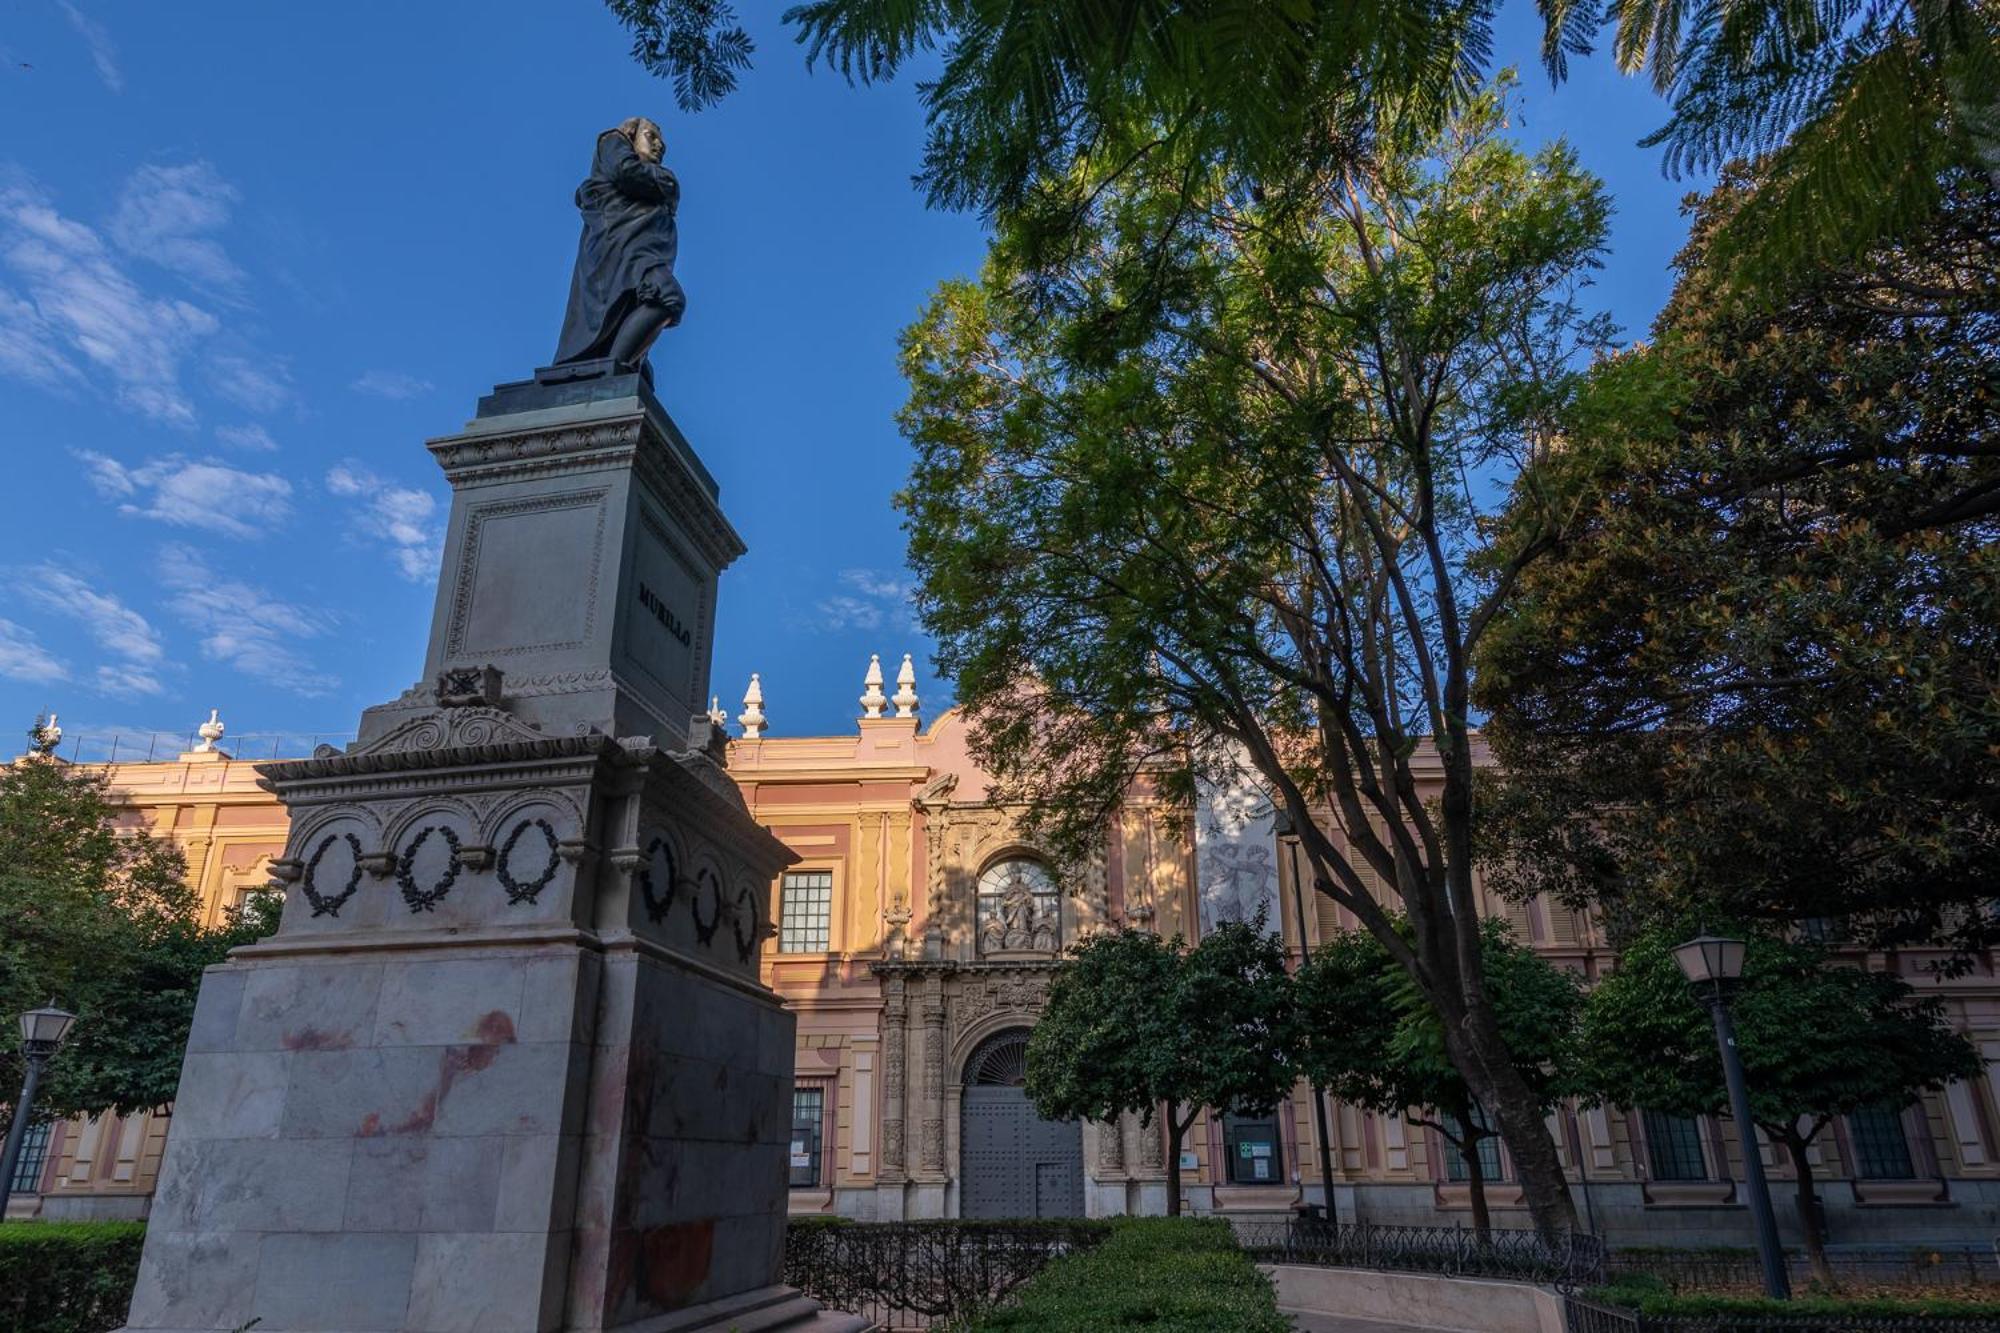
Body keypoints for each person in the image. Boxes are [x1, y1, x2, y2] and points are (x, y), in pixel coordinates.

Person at [553, 116, 686, 371]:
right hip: (624, 254)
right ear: (630, 136)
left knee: (651, 306)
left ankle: (624, 365)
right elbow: (627, 173)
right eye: (651, 137)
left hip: (640, 257)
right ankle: (616, 370)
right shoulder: (613, 143)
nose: (659, 146)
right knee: (668, 298)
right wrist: (666, 182)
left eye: (662, 144)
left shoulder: (651, 189)